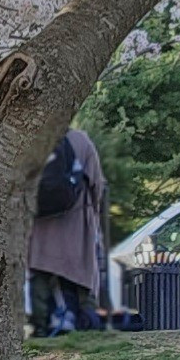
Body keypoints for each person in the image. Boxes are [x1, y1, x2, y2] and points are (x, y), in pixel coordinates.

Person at [27, 122, 111, 333]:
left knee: (40, 277)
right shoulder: (80, 140)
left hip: (39, 229)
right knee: (77, 276)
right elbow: (97, 185)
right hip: (76, 227)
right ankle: (79, 322)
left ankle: (43, 327)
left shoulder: (30, 141)